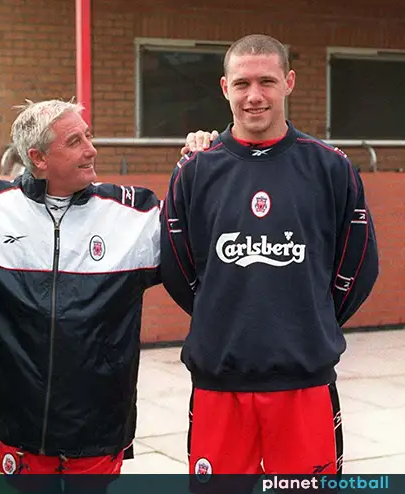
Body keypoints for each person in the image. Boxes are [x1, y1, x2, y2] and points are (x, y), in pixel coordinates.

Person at [160, 34, 379, 478]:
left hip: (303, 382)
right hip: (219, 382)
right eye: (242, 84)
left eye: (267, 81)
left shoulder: (330, 167)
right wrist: (219, 313)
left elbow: (358, 265)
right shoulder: (196, 169)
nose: (254, 96)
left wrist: (312, 318)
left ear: (289, 82)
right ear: (224, 88)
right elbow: (178, 268)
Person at [0, 99, 159, 476]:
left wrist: (199, 161)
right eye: (75, 141)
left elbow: (200, 246)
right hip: (16, 426)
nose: (91, 149)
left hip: (98, 428)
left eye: (88, 136)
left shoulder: (134, 215)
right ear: (38, 158)